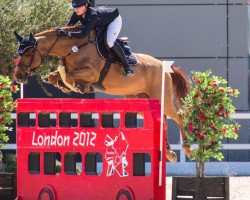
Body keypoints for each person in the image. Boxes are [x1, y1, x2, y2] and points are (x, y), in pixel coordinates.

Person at [60, 0, 134, 77]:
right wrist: (59, 31)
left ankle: (127, 68)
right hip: (101, 21)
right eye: (75, 8)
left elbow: (83, 34)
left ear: (86, 5)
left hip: (113, 20)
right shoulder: (76, 14)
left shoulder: (93, 15)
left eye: (78, 7)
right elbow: (68, 27)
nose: (76, 10)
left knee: (110, 42)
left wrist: (67, 34)